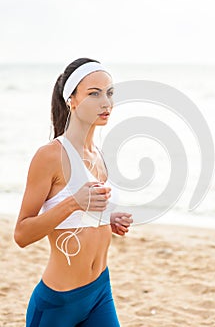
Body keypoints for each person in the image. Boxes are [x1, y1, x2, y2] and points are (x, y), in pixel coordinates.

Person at [14, 58, 133, 326]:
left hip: (101, 292)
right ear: (72, 100)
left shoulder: (99, 155)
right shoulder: (49, 156)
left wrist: (109, 219)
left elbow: (82, 216)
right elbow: (21, 234)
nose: (106, 103)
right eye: (94, 93)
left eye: (109, 93)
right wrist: (73, 204)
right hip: (58, 303)